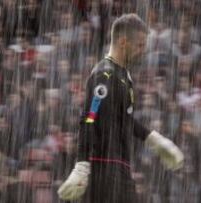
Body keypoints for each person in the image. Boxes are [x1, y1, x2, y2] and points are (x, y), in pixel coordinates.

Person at [57, 13, 184, 203]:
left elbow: (124, 119)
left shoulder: (124, 76)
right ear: (123, 42)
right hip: (103, 170)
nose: (143, 50)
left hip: (119, 169)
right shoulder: (105, 74)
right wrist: (82, 165)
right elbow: (89, 117)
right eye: (140, 45)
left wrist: (154, 140)